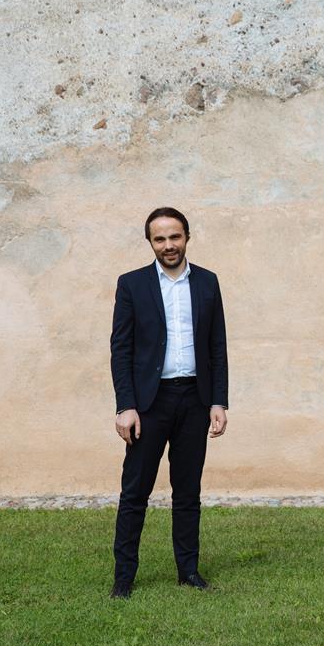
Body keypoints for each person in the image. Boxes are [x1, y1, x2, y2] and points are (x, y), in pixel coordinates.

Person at [109, 207, 228, 599]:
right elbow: (121, 349)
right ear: (150, 243)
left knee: (188, 491)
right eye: (159, 239)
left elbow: (217, 346)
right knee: (135, 492)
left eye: (175, 237)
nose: (168, 245)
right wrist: (125, 405)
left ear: (187, 237)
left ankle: (188, 571)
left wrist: (218, 401)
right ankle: (124, 577)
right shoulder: (132, 284)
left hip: (194, 398)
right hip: (149, 404)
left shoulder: (207, 282)